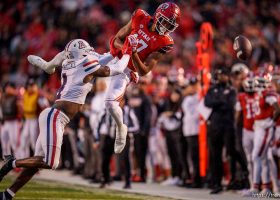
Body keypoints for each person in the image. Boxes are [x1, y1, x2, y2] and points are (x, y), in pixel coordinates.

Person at [0, 38, 137, 200]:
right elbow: (115, 68)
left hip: (53, 115)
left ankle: (8, 194)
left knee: (37, 162)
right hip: (56, 117)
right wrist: (128, 52)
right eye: (88, 51)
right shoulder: (86, 65)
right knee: (51, 162)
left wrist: (121, 51)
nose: (92, 53)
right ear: (83, 54)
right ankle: (12, 163)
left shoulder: (69, 62)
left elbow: (105, 56)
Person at [105, 2, 180, 154]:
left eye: (170, 25)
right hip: (113, 58)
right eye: (165, 21)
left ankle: (121, 129)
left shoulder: (164, 42)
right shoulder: (140, 17)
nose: (166, 27)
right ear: (158, 15)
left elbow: (144, 70)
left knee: (110, 104)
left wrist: (133, 53)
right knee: (81, 64)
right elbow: (116, 39)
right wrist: (126, 48)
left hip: (127, 69)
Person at [205, 68, 247, 194]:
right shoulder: (212, 89)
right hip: (215, 126)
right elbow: (207, 102)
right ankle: (217, 183)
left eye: (224, 75)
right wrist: (221, 101)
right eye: (220, 75)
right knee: (215, 155)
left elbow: (230, 104)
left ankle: (243, 171)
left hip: (228, 125)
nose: (221, 77)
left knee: (231, 151)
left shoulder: (232, 90)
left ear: (227, 77)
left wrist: (217, 102)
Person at [243, 72, 280, 196]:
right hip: (258, 127)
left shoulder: (267, 94)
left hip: (265, 128)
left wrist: (271, 122)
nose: (255, 84)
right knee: (263, 158)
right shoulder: (258, 94)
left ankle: (256, 187)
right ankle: (266, 188)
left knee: (256, 156)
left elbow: (278, 110)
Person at [235, 75, 258, 188]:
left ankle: (263, 185)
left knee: (257, 158)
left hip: (258, 129)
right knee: (249, 159)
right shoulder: (241, 96)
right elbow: (238, 115)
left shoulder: (260, 95)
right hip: (247, 130)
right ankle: (252, 185)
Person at [20, 78, 49, 158]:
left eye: (33, 85)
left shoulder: (39, 95)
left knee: (34, 142)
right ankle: (24, 161)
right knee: (23, 141)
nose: (31, 87)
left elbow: (45, 107)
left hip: (34, 120)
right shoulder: (25, 94)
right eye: (30, 85)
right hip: (27, 120)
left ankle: (36, 162)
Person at [181, 77, 202, 188]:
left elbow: (197, 114)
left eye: (195, 85)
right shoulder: (187, 98)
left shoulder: (200, 97)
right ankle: (193, 178)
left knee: (196, 157)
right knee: (191, 157)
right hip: (188, 131)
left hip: (196, 130)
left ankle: (198, 179)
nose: (193, 88)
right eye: (191, 85)